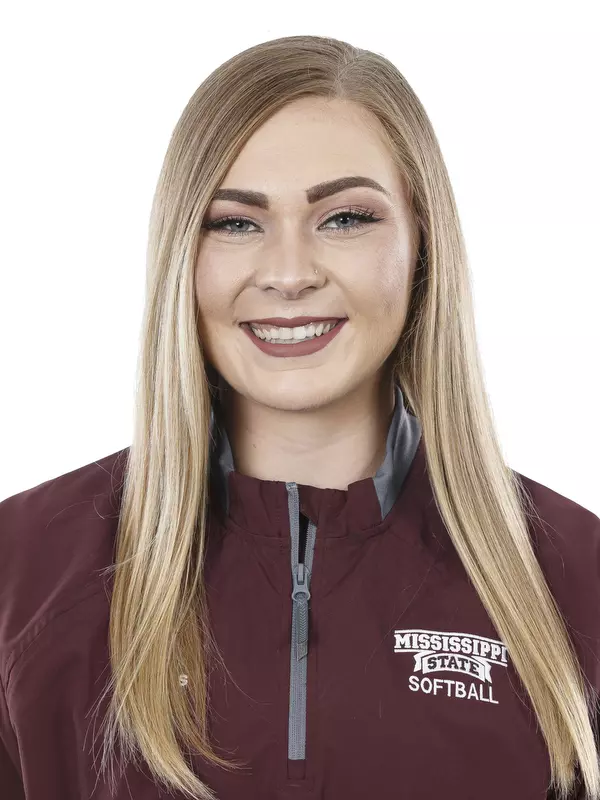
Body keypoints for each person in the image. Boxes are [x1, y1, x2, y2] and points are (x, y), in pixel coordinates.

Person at [0, 34, 598, 800]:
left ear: (422, 244)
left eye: (345, 219)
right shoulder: (24, 571)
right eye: (236, 223)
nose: (288, 274)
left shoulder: (576, 580)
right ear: (182, 252)